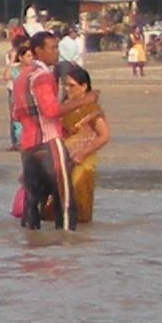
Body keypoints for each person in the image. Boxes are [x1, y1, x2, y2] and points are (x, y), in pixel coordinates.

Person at [10, 25, 70, 229]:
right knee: (64, 200)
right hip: (49, 141)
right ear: (38, 51)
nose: (56, 52)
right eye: (52, 48)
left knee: (32, 203)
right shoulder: (43, 76)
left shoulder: (21, 77)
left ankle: (31, 249)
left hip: (27, 145)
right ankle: (68, 245)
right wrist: (83, 101)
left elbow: (15, 114)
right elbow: (51, 111)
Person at [59, 60, 110, 224]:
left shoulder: (91, 110)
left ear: (84, 87)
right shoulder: (64, 107)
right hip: (63, 161)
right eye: (65, 85)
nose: (67, 89)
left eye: (71, 85)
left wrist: (82, 153)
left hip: (83, 162)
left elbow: (104, 136)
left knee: (79, 206)